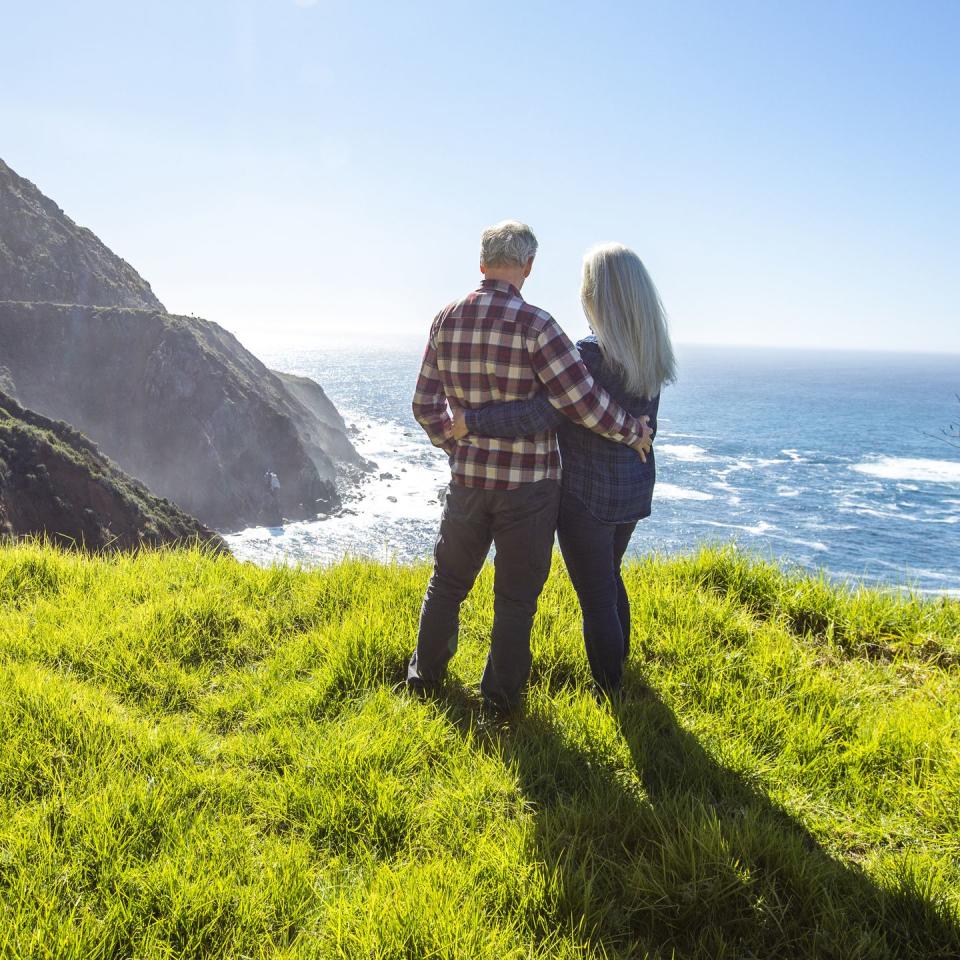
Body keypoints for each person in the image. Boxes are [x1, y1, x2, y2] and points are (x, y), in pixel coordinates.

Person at [406, 222, 653, 710]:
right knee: (515, 600)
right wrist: (633, 432)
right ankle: (499, 702)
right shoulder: (539, 326)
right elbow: (582, 402)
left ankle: (424, 679)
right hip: (530, 490)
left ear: (481, 263)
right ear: (528, 266)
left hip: (468, 482)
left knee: (448, 583)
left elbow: (424, 404)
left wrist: (455, 445)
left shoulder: (445, 320)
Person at [452, 243, 675, 696]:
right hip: (631, 488)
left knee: (596, 597)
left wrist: (472, 422)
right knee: (609, 579)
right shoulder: (652, 351)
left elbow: (542, 415)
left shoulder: (588, 355)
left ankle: (611, 691)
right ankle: (622, 676)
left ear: (597, 294)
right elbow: (648, 425)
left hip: (584, 496)